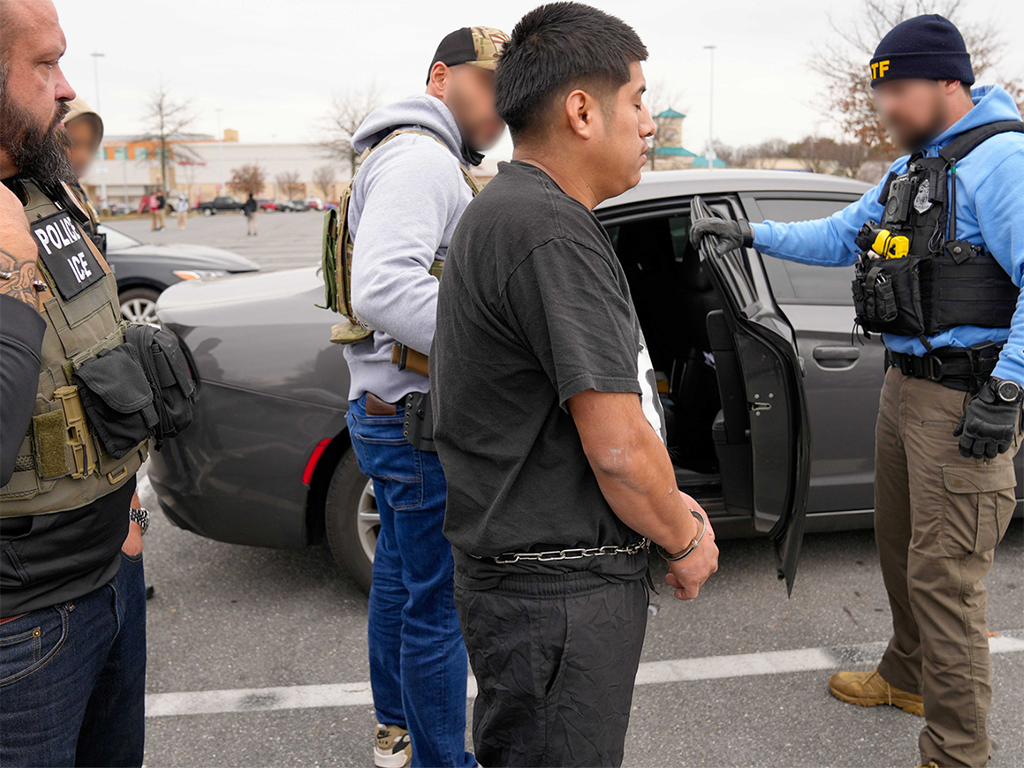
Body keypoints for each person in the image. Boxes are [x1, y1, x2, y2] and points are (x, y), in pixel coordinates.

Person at [691, 15, 1024, 768]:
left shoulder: (1002, 161)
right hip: (904, 389)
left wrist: (1006, 392)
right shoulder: (916, 166)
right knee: (902, 552)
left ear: (950, 82)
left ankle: (958, 752)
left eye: (898, 92)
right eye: (880, 96)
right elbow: (841, 234)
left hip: (963, 401)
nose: (886, 110)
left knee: (948, 585)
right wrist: (749, 235)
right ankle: (907, 677)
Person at [431, 4, 719, 766]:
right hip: (555, 601)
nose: (650, 121)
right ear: (582, 110)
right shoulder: (550, 230)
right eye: (638, 99)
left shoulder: (513, 208)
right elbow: (619, 449)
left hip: (533, 589)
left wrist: (669, 499)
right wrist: (684, 538)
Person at [339, 24, 507, 768]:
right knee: (439, 608)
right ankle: (446, 760)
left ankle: (395, 727)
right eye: (490, 84)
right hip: (414, 418)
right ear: (443, 76)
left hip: (385, 408)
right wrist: (495, 342)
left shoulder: (400, 149)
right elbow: (381, 288)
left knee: (404, 582)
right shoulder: (420, 157)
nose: (501, 106)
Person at [0, 1, 151, 765]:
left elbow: (101, 358)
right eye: (44, 63)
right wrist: (8, 272)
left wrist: (131, 517)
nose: (65, 90)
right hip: (21, 628)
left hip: (111, 576)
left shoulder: (49, 192)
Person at [62, 97, 106, 254]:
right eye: (73, 144)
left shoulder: (75, 191)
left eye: (89, 145)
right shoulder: (30, 195)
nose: (83, 156)